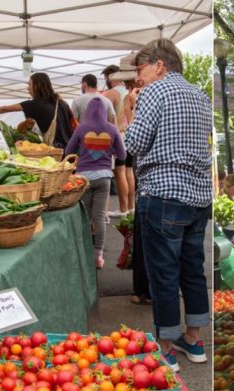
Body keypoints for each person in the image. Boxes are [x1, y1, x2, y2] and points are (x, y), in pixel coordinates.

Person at [125, 38, 211, 372]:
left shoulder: (154, 93)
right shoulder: (200, 95)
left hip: (162, 193)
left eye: (140, 69)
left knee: (163, 274)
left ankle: (165, 349)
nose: (138, 77)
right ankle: (194, 340)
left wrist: (130, 111)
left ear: (159, 65)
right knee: (192, 270)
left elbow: (134, 143)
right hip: (198, 196)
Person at [65, 99, 126, 270]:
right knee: (98, 217)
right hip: (104, 178)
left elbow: (68, 151)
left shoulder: (81, 128)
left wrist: (82, 150)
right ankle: (98, 256)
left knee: (85, 216)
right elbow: (122, 155)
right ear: (104, 112)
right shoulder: (112, 129)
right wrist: (110, 150)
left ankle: (84, 254)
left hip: (83, 179)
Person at [0, 72, 74, 148]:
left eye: (29, 85)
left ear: (36, 86)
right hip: (72, 148)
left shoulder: (34, 104)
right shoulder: (62, 103)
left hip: (56, 150)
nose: (28, 88)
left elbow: (5, 109)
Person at [102, 58, 135, 217]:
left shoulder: (111, 94)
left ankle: (122, 208)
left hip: (117, 137)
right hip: (130, 135)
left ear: (110, 77)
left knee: (119, 172)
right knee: (129, 171)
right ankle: (131, 206)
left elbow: (103, 116)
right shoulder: (130, 92)